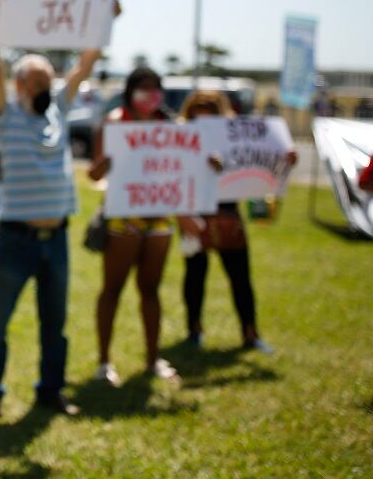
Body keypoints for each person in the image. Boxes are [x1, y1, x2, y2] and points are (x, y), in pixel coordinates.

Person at [0, 0, 118, 417]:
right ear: (21, 85)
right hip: (15, 240)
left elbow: (85, 64)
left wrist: (103, 21)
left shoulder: (59, 107)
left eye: (49, 80)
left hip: (55, 238)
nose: (46, 87)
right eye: (37, 81)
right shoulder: (5, 113)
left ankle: (50, 390)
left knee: (54, 326)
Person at [88, 66, 179, 385]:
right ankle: (103, 362)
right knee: (112, 289)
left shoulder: (168, 126)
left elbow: (185, 168)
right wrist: (106, 163)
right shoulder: (115, 123)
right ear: (130, 90)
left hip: (159, 218)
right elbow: (95, 175)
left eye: (156, 87)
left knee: (151, 289)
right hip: (123, 218)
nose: (150, 93)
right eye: (144, 87)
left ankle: (153, 358)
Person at [179, 89, 286, 354]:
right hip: (194, 215)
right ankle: (194, 329)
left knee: (240, 277)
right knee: (195, 276)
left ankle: (250, 331)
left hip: (228, 213)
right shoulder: (180, 140)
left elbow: (255, 169)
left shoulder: (233, 139)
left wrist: (284, 162)